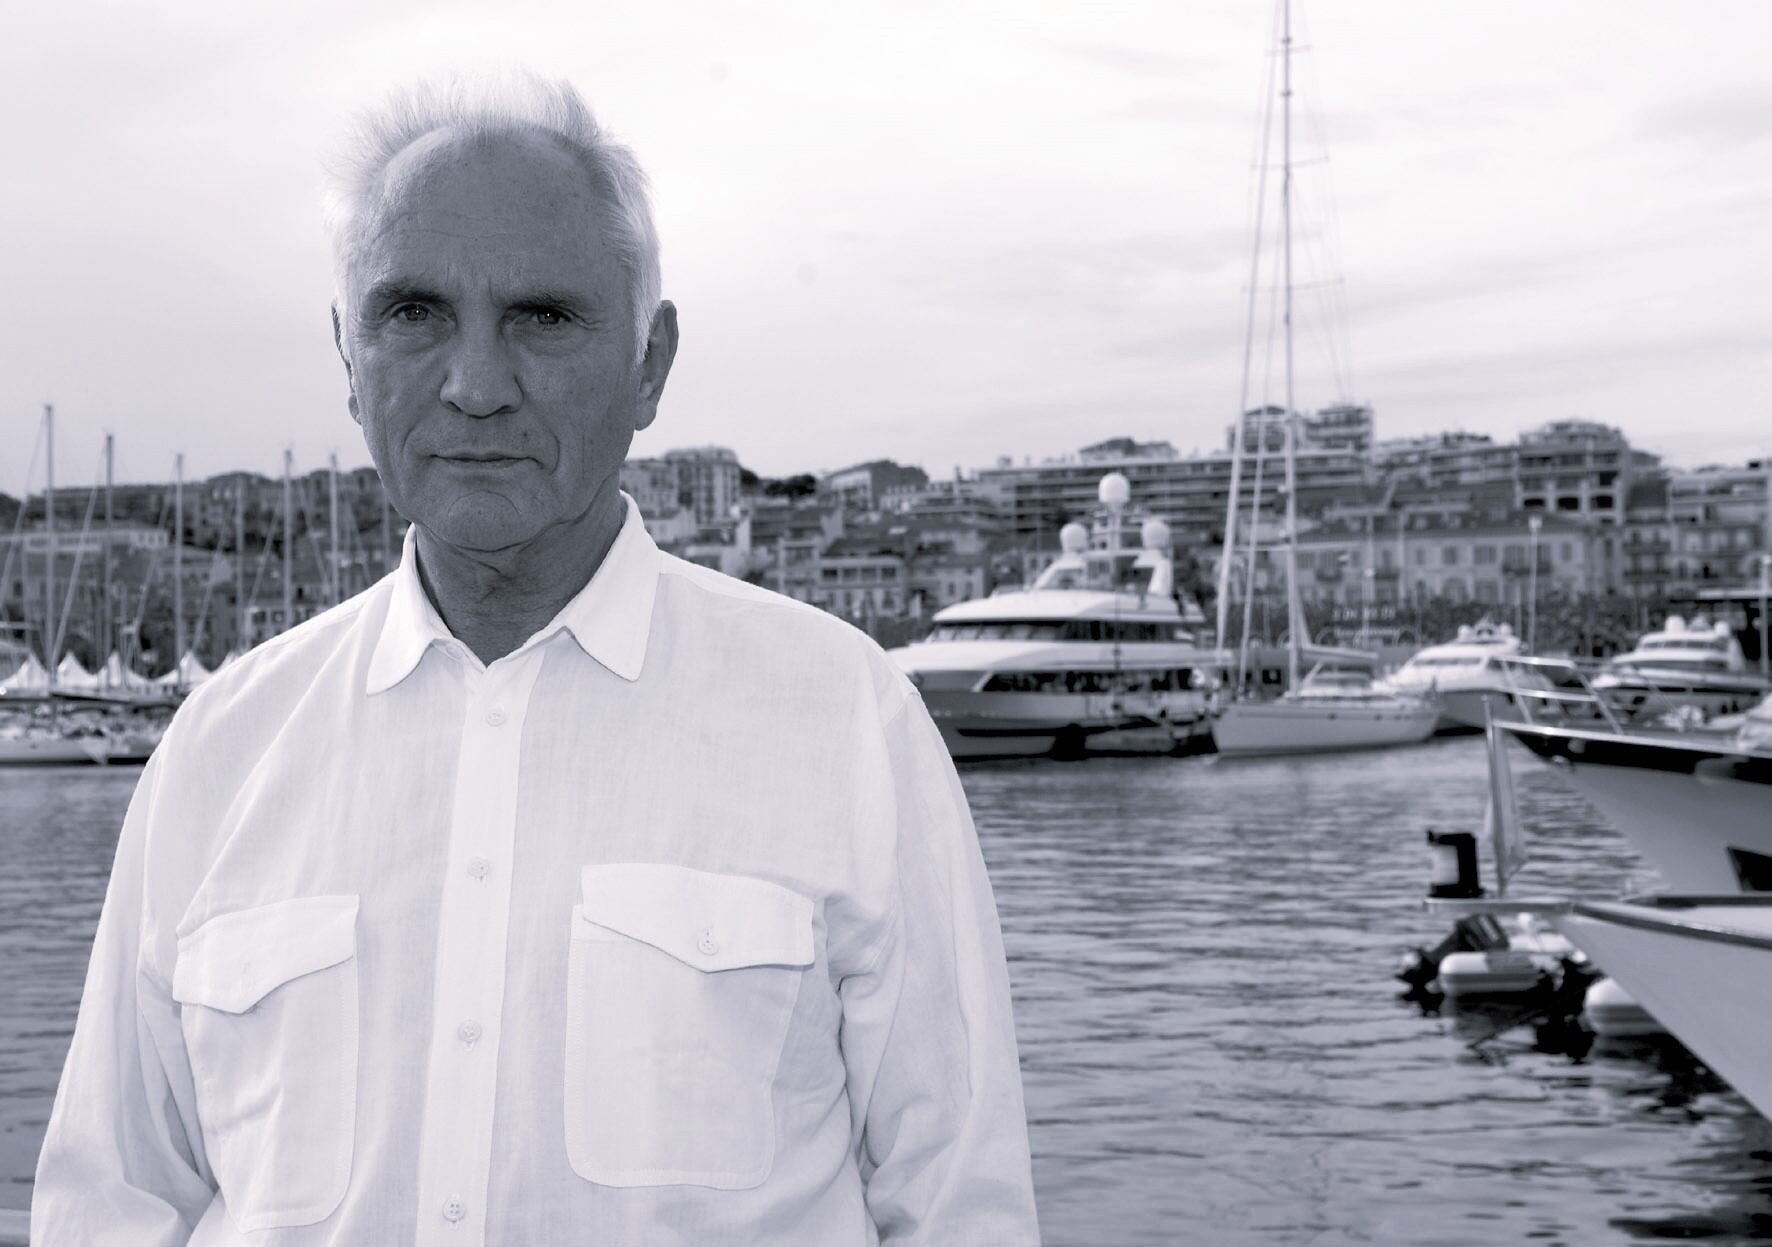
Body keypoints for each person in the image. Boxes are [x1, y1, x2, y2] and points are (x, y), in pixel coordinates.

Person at [33, 73, 1039, 1245]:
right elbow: (112, 1203)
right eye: (412, 312)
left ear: (651, 363)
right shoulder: (221, 748)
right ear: (347, 359)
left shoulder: (840, 716)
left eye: (542, 316)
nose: (473, 385)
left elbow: (957, 1200)